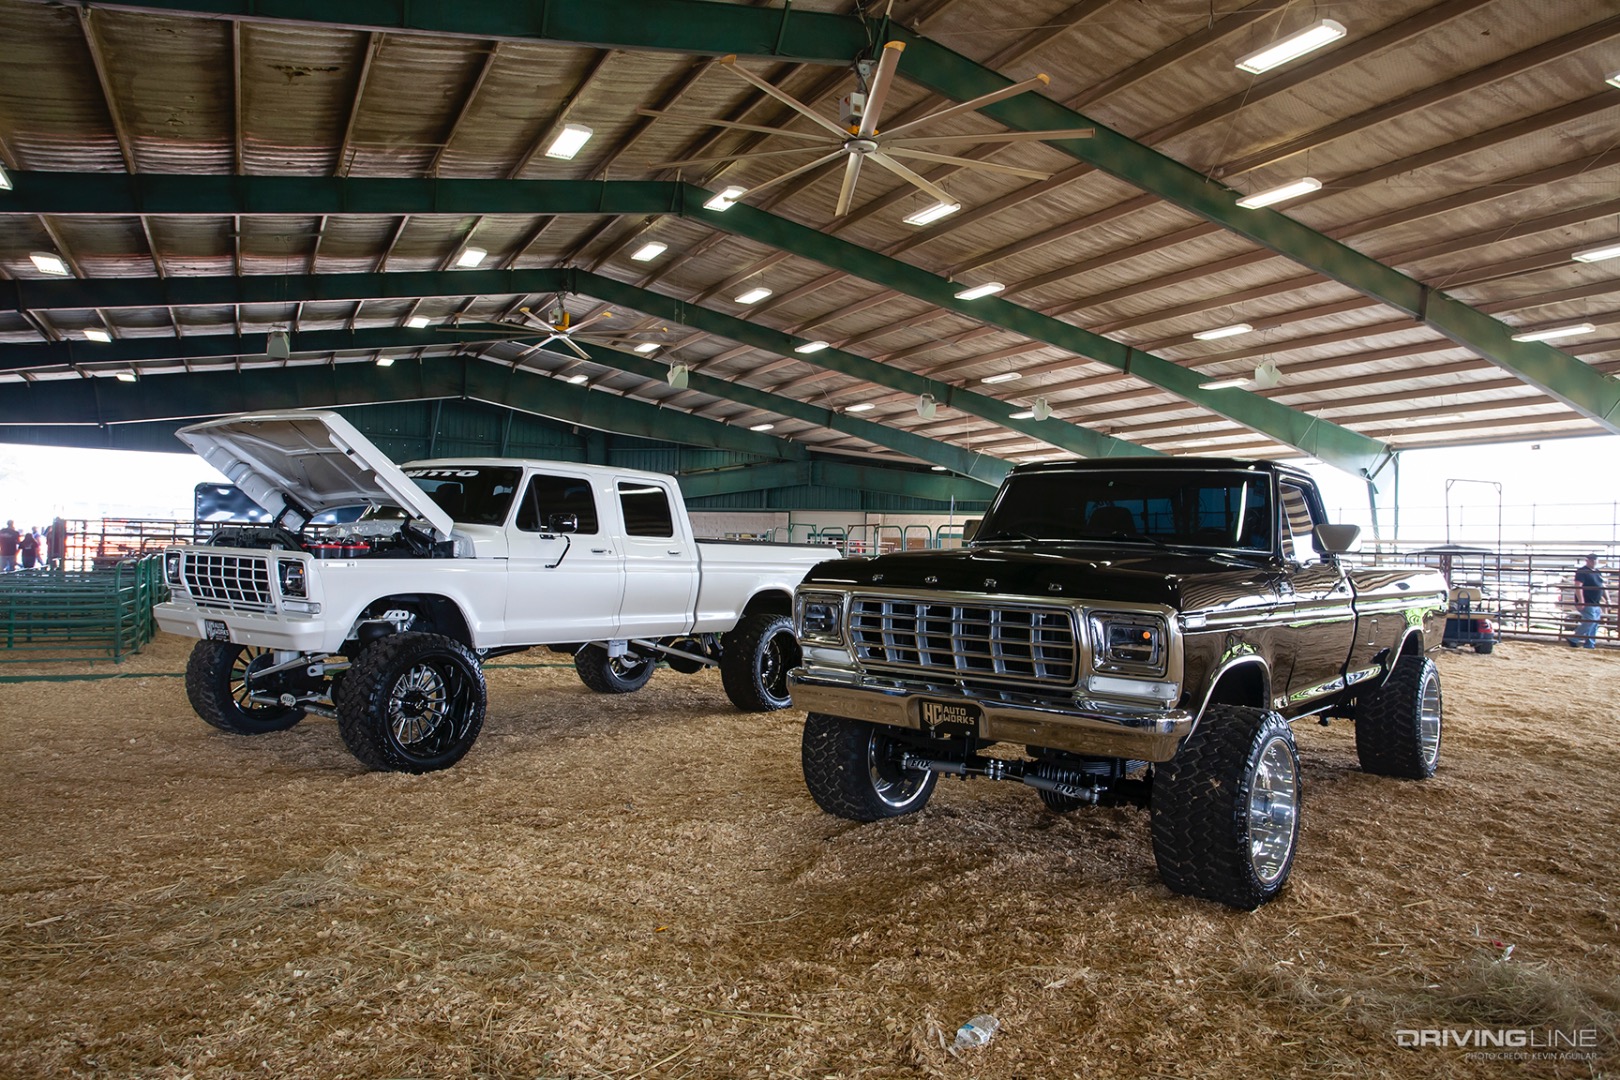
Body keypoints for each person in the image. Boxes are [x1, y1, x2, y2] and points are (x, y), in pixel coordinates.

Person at [1570, 553, 1607, 649]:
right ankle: (1574, 638)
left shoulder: (1597, 572)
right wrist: (1581, 600)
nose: (1593, 562)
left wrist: (1607, 599)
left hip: (1595, 602)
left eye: (1595, 560)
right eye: (1591, 560)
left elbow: (1602, 586)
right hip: (1587, 601)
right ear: (1587, 561)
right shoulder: (1582, 571)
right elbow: (1578, 586)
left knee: (1594, 623)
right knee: (1591, 620)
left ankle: (1589, 644)